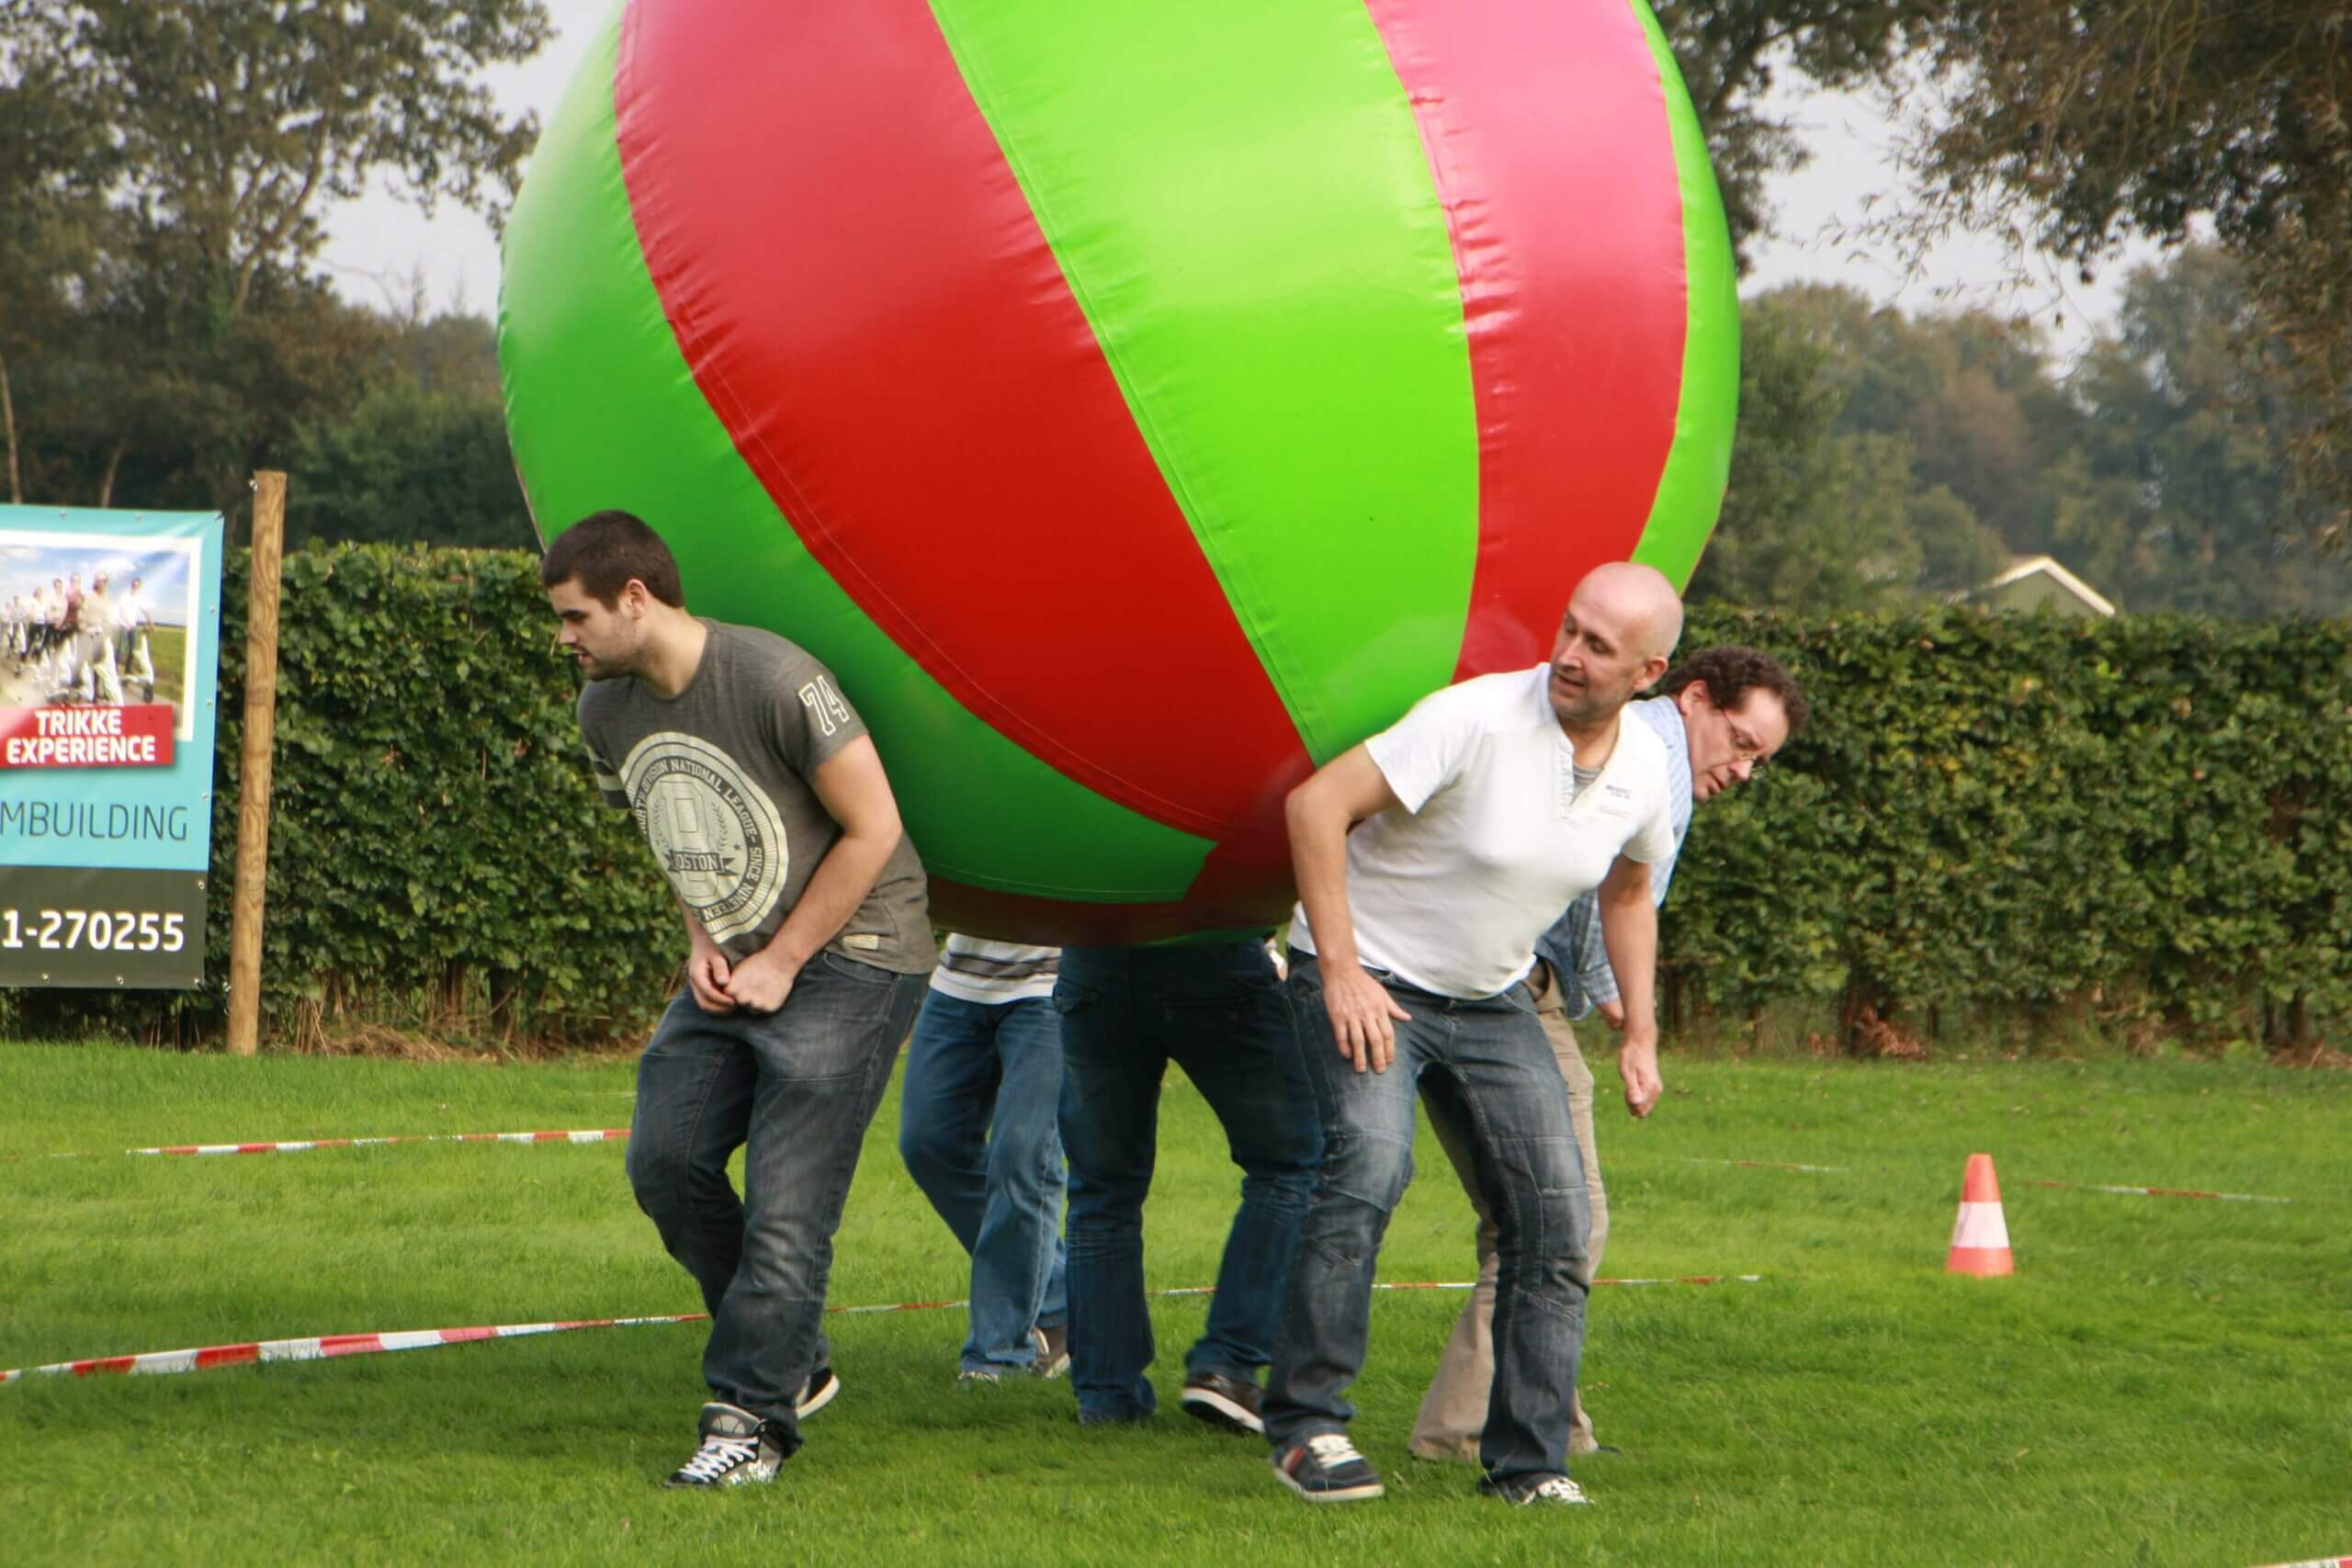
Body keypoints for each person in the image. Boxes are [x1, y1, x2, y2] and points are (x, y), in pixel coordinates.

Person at [1262, 560, 1683, 1509]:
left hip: (1490, 999)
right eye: (1569, 628)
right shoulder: (1476, 716)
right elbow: (1315, 806)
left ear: (1648, 672)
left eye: (1599, 646)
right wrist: (1340, 970)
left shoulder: (1643, 769)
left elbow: (1629, 891)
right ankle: (1307, 1429)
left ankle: (1529, 1466)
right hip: (1372, 978)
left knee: (1557, 1222)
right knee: (1369, 1170)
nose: (1569, 654)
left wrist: (1642, 1033)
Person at [542, 510, 933, 1489]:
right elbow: (676, 828)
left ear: (636, 598)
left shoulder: (772, 679)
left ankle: (748, 1421)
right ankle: (791, 1352)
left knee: (789, 1208)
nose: (564, 636)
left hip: (859, 950)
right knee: (665, 1164)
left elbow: (877, 827)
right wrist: (703, 939)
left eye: (576, 615)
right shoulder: (604, 712)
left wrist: (785, 959)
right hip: (741, 956)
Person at [1408, 645, 1810, 1466]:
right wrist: (1626, 1012)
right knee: (1565, 1220)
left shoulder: (1620, 734)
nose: (1742, 770)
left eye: (1759, 760)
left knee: (1534, 1219)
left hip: (1459, 975)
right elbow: (1608, 905)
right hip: (1512, 994)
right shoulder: (1659, 759)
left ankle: (1553, 1422)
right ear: (1695, 696)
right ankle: (1461, 1429)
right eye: (1741, 742)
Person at [1054, 936, 1322, 1434]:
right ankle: (1227, 1364)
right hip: (1212, 951)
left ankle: (1106, 1395)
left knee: (1100, 1192)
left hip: (1095, 958)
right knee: (1291, 1166)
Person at [897, 934, 1071, 1382]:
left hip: (1055, 981)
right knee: (929, 1144)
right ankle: (1062, 1296)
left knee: (1022, 1160)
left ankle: (999, 1355)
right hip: (961, 977)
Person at [114, 574, 156, 691]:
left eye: (137, 586)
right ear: (131, 585)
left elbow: (146, 611)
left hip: (133, 627)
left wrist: (151, 625)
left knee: (132, 652)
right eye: (134, 585)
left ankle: (127, 674)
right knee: (121, 650)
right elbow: (118, 610)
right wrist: (122, 623)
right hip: (123, 626)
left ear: (139, 587)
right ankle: (114, 672)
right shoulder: (124, 596)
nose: (135, 587)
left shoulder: (140, 598)